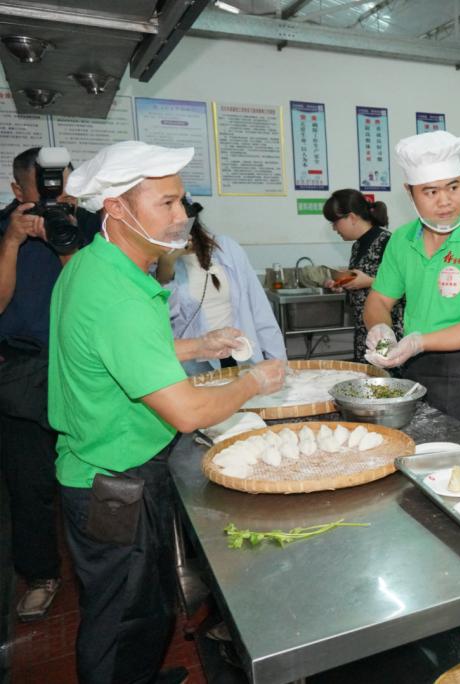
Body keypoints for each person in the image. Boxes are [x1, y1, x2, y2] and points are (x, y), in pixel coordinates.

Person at [53, 140, 286, 684]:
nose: (182, 216)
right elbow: (186, 412)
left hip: (121, 466)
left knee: (147, 603)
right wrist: (255, 378)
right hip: (110, 481)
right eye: (166, 203)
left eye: (182, 202)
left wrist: (195, 349)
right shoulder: (119, 296)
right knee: (120, 614)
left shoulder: (98, 267)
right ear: (116, 208)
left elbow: (114, 355)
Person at [0, 146, 99, 622]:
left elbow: (89, 300)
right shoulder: (2, 228)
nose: (56, 200)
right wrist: (13, 243)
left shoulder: (89, 224)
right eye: (44, 192)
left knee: (98, 476)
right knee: (28, 482)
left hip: (82, 369)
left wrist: (65, 242)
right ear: (18, 191)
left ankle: (104, 570)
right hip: (22, 371)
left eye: (64, 187)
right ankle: (40, 574)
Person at [363, 131, 460, 437]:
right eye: (430, 192)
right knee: (413, 454)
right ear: (410, 192)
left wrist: (419, 341)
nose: (445, 201)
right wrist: (381, 333)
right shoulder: (402, 240)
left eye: (453, 187)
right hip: (414, 368)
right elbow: (379, 301)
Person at [156, 197, 285, 374]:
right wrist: (167, 264)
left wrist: (279, 363)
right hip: (195, 366)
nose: (176, 231)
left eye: (182, 225)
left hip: (240, 356)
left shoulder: (226, 248)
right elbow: (164, 319)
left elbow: (260, 310)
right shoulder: (157, 261)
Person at [320, 189, 404, 359]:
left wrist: (369, 282)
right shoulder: (357, 246)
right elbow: (361, 282)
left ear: (351, 217)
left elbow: (407, 285)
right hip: (365, 330)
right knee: (368, 379)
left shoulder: (388, 242)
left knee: (386, 376)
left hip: (388, 330)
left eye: (335, 222)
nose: (334, 228)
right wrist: (343, 285)